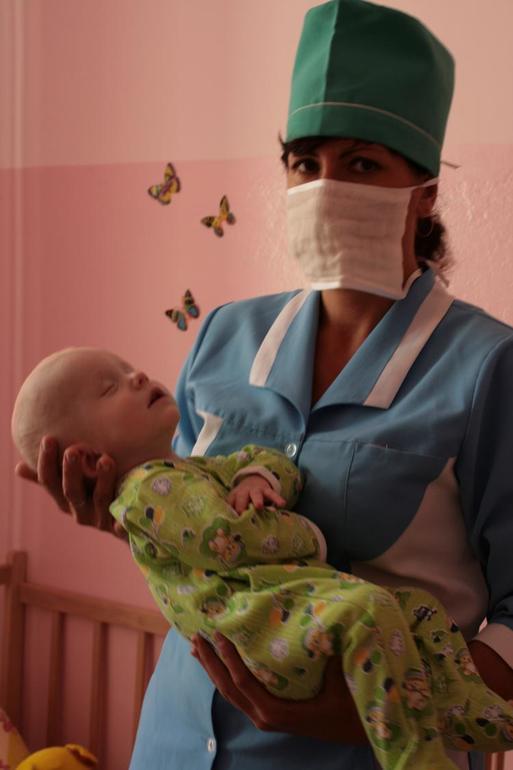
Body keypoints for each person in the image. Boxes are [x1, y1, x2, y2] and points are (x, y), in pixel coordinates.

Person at [14, 1, 513, 769]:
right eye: (304, 163)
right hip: (175, 742)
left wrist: (373, 712)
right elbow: (203, 537)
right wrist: (123, 518)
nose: (324, 186)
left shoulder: (484, 368)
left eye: (360, 164)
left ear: (423, 190)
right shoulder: (224, 336)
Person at [11, 347, 513, 770]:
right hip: (262, 630)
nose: (137, 375)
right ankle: (417, 758)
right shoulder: (147, 490)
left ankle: (467, 707)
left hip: (287, 623)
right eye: (109, 388)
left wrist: (258, 478)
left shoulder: (192, 471)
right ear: (88, 456)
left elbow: (267, 465)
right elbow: (226, 540)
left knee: (417, 610)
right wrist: (306, 535)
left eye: (127, 368)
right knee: (372, 611)